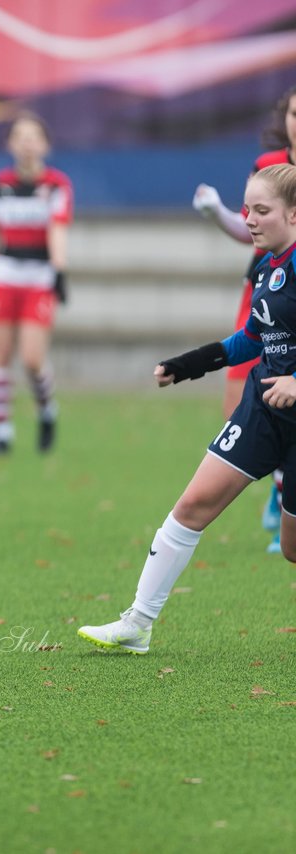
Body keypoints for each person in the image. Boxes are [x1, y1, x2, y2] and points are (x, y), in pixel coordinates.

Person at [78, 163, 296, 654]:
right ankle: (137, 623)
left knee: (291, 549)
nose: (250, 220)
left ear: (295, 214)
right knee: (191, 506)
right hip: (263, 412)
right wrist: (189, 364)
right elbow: (251, 340)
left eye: (262, 211)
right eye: (247, 210)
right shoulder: (267, 267)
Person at [191, 84, 296, 552]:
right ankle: (276, 486)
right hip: (266, 290)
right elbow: (249, 229)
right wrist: (217, 212)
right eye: (293, 112)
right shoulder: (269, 165)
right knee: (242, 393)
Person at [0, 112, 72, 455]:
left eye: (33, 137)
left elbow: (57, 230)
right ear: (10, 144)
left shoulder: (57, 185)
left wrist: (60, 270)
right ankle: (1, 432)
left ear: (45, 144)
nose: (27, 144)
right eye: (20, 137)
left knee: (31, 359)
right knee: (0, 354)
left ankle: (46, 409)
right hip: (4, 274)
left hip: (39, 276)